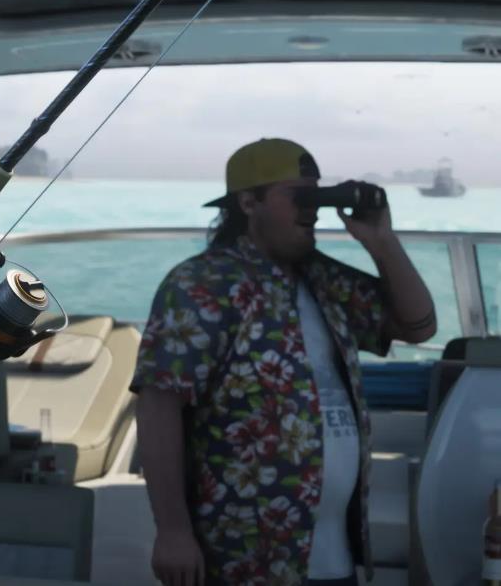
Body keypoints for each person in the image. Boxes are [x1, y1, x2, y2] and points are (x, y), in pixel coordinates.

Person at [131, 138, 436, 586]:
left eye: (317, 195)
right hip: (245, 559)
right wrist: (173, 531)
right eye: (299, 196)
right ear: (248, 202)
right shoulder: (202, 285)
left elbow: (418, 326)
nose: (312, 210)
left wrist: (382, 241)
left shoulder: (322, 279)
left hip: (335, 558)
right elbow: (159, 405)